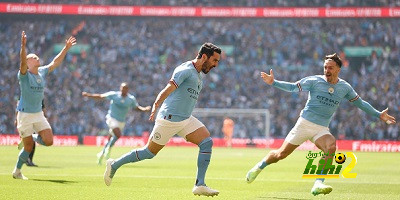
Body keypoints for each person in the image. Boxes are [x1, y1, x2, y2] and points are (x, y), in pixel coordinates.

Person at [245, 53, 396, 196]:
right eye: (325, 67)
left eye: (330, 67)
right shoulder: (314, 81)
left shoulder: (345, 87)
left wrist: (378, 114)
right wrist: (274, 82)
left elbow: (360, 103)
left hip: (321, 129)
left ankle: (318, 184)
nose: (327, 70)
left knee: (331, 147)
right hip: (304, 124)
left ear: (338, 69)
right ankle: (259, 167)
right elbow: (292, 87)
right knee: (280, 155)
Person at [103, 43, 222, 197]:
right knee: (149, 152)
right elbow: (167, 89)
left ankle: (200, 184)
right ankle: (114, 164)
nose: (215, 65)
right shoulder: (185, 70)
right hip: (169, 119)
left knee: (206, 142)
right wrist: (156, 105)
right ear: (204, 56)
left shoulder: (199, 75)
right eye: (214, 60)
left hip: (185, 119)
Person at [13, 31, 76, 180]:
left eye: (36, 56)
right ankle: (17, 171)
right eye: (33, 57)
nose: (36, 57)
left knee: (49, 141)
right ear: (28, 64)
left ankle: (33, 137)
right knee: (28, 148)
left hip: (38, 113)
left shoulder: (41, 72)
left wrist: (65, 48)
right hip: (25, 115)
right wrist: (23, 46)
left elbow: (55, 62)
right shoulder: (24, 75)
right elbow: (22, 62)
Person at [82, 82, 151, 165]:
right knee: (118, 134)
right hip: (111, 118)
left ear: (127, 90)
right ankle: (108, 149)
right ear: (120, 88)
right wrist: (88, 95)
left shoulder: (131, 99)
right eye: (122, 88)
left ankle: (101, 154)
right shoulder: (114, 95)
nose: (123, 90)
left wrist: (144, 109)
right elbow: (100, 96)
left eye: (125, 88)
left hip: (121, 121)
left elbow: (136, 108)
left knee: (111, 138)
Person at [16, 99, 47, 167]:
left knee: (32, 141)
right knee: (32, 141)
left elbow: (18, 105)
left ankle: (28, 160)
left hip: (31, 119)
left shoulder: (30, 94)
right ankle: (28, 160)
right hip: (31, 119)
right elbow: (43, 109)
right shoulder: (35, 94)